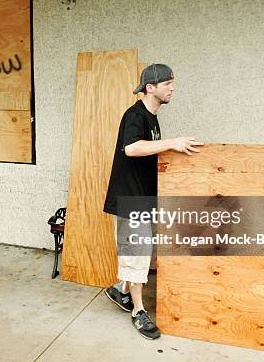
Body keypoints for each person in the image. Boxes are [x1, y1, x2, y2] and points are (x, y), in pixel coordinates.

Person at [103, 64, 203, 339]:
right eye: (168, 84)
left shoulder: (152, 117)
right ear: (151, 87)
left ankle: (120, 289)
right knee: (137, 252)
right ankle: (138, 311)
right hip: (130, 199)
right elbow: (132, 148)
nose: (172, 88)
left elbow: (149, 150)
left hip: (143, 197)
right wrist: (172, 142)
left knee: (142, 251)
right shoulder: (135, 114)